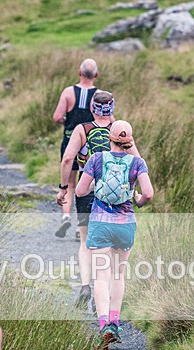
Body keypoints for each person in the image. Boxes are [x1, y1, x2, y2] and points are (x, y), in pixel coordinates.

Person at [56, 91, 140, 311]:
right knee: (111, 252)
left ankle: (86, 286)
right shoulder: (120, 130)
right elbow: (137, 162)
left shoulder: (82, 129)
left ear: (93, 108)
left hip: (87, 191)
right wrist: (135, 191)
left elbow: (67, 158)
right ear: (112, 108)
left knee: (85, 243)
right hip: (116, 198)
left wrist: (64, 187)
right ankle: (104, 299)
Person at [75, 121, 153, 350]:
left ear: (109, 137)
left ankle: (103, 325)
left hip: (100, 222)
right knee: (118, 274)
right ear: (130, 139)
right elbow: (148, 193)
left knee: (101, 276)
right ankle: (116, 324)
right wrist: (137, 200)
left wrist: (95, 188)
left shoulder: (96, 159)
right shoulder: (137, 162)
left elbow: (80, 191)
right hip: (125, 223)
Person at [52, 58, 98, 239]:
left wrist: (68, 122)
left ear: (79, 73)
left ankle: (65, 217)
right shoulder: (99, 95)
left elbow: (57, 117)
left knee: (69, 184)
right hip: (90, 145)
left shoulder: (68, 92)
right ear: (96, 75)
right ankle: (81, 227)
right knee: (84, 184)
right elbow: (111, 121)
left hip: (70, 140)